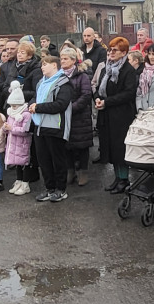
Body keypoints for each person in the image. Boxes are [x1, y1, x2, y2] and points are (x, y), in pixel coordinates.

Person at [95, 37, 139, 194]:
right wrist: (98, 99)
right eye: (109, 50)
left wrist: (107, 102)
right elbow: (99, 88)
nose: (111, 53)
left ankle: (124, 179)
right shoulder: (106, 68)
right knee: (110, 147)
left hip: (121, 115)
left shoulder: (128, 70)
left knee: (120, 148)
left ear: (124, 52)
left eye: (115, 50)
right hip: (106, 113)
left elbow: (128, 93)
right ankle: (117, 178)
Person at [29, 55, 73, 202]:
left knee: (57, 160)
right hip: (39, 126)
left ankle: (61, 189)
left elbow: (60, 104)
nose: (42, 67)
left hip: (55, 127)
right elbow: (36, 98)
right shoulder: (41, 82)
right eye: (42, 64)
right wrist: (32, 104)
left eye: (45, 64)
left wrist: (38, 107)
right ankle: (49, 188)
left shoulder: (63, 83)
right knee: (44, 160)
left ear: (55, 66)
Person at [61, 48, 93, 187]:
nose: (62, 61)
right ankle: (70, 170)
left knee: (82, 145)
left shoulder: (82, 76)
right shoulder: (59, 76)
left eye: (65, 59)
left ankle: (83, 172)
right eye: (61, 59)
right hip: (64, 116)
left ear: (73, 60)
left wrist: (71, 108)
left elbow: (86, 95)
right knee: (66, 145)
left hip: (80, 116)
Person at [3, 82, 34, 195]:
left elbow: (26, 130)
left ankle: (25, 183)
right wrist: (5, 128)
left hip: (22, 144)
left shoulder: (26, 114)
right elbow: (8, 126)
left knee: (24, 163)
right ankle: (18, 180)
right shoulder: (11, 113)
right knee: (17, 164)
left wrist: (12, 128)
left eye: (14, 105)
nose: (12, 108)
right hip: (13, 143)